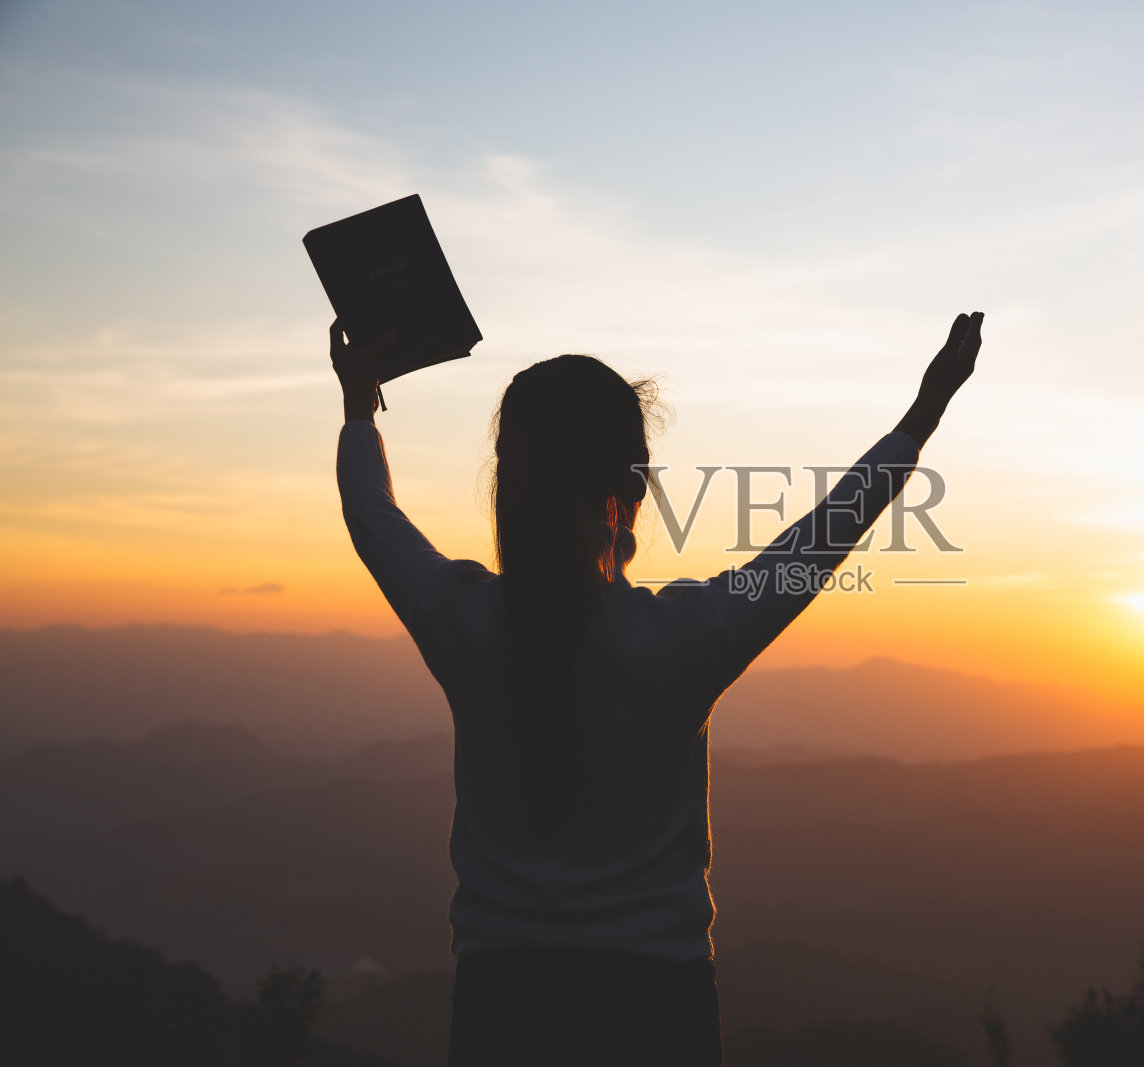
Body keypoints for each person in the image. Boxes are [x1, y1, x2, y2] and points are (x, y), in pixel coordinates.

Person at [330, 311, 984, 1065]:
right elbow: (824, 535)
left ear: (509, 482)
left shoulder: (464, 619)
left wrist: (359, 406)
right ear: (629, 488)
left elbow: (370, 513)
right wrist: (924, 412)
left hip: (500, 1008)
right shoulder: (685, 636)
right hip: (656, 1011)